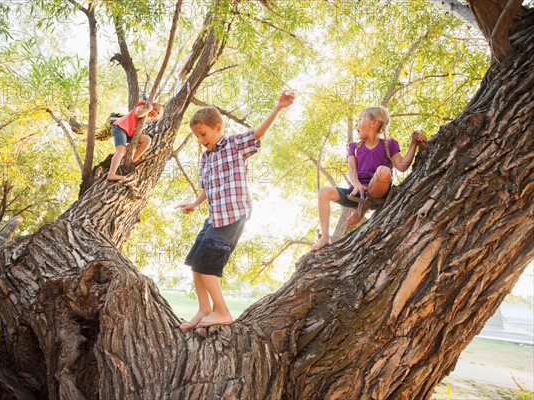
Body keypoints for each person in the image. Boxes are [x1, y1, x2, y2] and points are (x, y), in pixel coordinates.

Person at [176, 90, 296, 330]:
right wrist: (195, 204)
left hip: (232, 217)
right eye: (197, 136)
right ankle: (204, 309)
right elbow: (207, 188)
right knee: (194, 264)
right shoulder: (206, 158)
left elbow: (258, 133)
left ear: (218, 128)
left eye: (203, 134)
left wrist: (279, 107)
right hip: (214, 218)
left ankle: (223, 312)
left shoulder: (233, 145)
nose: (201, 140)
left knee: (207, 266)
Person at [312, 106, 427, 251]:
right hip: (358, 194)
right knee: (324, 192)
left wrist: (413, 143)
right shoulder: (353, 147)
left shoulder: (389, 144)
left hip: (380, 192)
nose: (356, 125)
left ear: (373, 123)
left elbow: (402, 166)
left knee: (383, 171)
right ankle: (324, 238)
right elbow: (352, 171)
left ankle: (362, 210)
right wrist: (357, 184)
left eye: (360, 120)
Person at [107, 101, 164, 181]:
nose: (155, 113)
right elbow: (138, 114)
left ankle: (133, 160)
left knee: (147, 139)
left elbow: (135, 133)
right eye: (155, 109)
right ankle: (111, 174)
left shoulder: (145, 122)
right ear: (150, 106)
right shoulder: (142, 107)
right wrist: (149, 108)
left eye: (158, 113)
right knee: (121, 151)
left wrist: (143, 126)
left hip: (128, 133)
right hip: (120, 128)